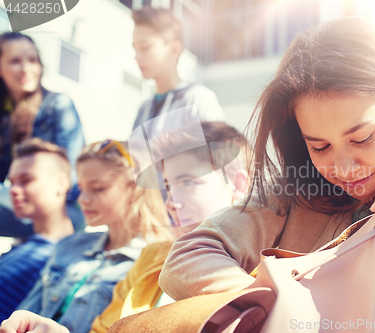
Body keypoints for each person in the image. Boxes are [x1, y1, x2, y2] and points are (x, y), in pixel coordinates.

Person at [158, 17, 375, 332]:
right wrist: (281, 306)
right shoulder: (290, 200)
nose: (343, 167)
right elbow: (187, 257)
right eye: (319, 147)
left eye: (362, 138)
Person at [0, 121, 251, 333]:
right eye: (168, 185)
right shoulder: (152, 259)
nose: (171, 200)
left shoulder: (265, 273)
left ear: (238, 186)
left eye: (187, 183)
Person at [12, 140, 170, 333]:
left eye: (97, 188)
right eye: (81, 188)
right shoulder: (69, 246)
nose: (82, 199)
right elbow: (26, 312)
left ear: (135, 187)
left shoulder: (152, 264)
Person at [0, 32, 86, 237]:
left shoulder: (58, 105)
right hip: (21, 207)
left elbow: (73, 180)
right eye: (15, 61)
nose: (26, 69)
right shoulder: (6, 115)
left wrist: (28, 192)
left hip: (63, 212)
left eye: (33, 60)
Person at [0, 138, 75, 322]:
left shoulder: (69, 260)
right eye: (12, 182)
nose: (14, 190)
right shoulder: (25, 247)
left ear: (61, 184)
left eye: (26, 180)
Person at [131, 7, 225, 130]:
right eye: (135, 48)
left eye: (144, 47)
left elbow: (223, 148)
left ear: (174, 49)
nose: (136, 57)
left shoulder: (198, 100)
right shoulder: (144, 109)